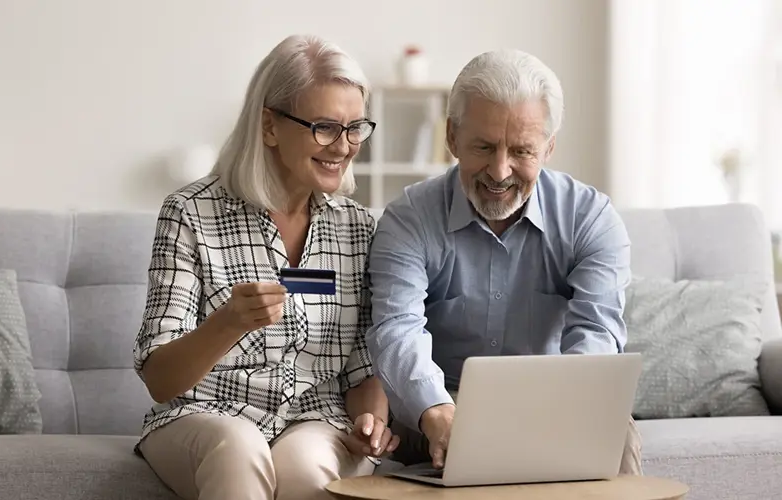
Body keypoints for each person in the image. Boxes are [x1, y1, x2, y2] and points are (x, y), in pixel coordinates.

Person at [132, 34, 399, 500]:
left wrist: (369, 421)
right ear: (270, 126)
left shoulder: (358, 228)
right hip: (203, 417)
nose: (344, 146)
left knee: (307, 470)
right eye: (324, 126)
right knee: (240, 449)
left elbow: (362, 367)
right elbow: (160, 380)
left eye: (355, 127)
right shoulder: (189, 214)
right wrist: (228, 323)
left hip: (314, 420)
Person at [365, 48, 641, 475]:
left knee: (616, 435)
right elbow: (395, 328)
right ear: (452, 137)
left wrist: (561, 414)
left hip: (553, 404)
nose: (499, 170)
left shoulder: (591, 219)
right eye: (484, 146)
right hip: (434, 409)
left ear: (549, 148)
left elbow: (596, 333)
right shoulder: (408, 219)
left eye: (521, 151)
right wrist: (436, 409)